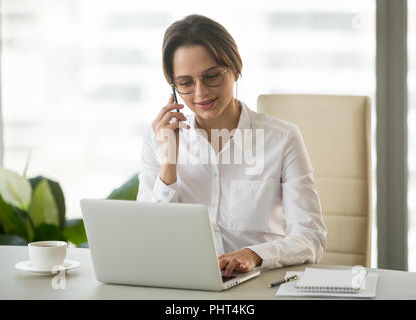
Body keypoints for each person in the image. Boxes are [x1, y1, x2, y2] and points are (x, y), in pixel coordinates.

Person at [137, 14, 327, 277]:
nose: (201, 93)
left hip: (259, 285)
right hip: (185, 285)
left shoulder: (282, 139)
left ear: (235, 69)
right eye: (185, 83)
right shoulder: (158, 138)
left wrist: (254, 255)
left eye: (212, 76)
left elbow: (311, 239)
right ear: (174, 87)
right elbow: (145, 239)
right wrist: (168, 167)